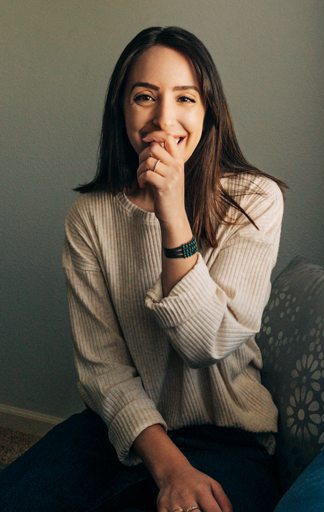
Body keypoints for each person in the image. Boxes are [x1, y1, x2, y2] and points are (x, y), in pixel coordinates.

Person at [0, 26, 285, 512]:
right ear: (122, 110)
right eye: (144, 97)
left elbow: (207, 344)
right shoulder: (89, 217)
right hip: (124, 430)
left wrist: (171, 212)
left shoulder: (254, 201)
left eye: (186, 98)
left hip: (228, 436)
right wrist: (170, 467)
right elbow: (102, 370)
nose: (163, 117)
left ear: (208, 111)